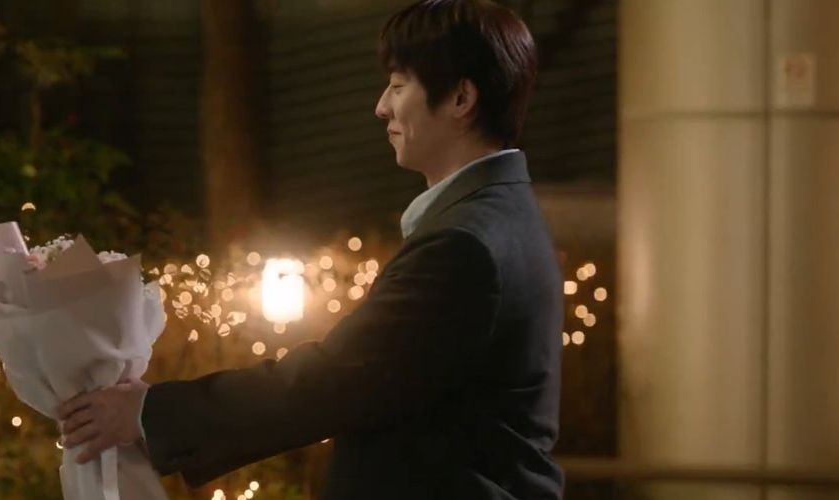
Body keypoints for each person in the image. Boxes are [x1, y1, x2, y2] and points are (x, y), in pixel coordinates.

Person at [58, 1, 564, 498]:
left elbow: (334, 381)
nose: (382, 107)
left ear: (460, 98)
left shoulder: (463, 244)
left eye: (398, 86)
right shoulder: (503, 214)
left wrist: (148, 413)